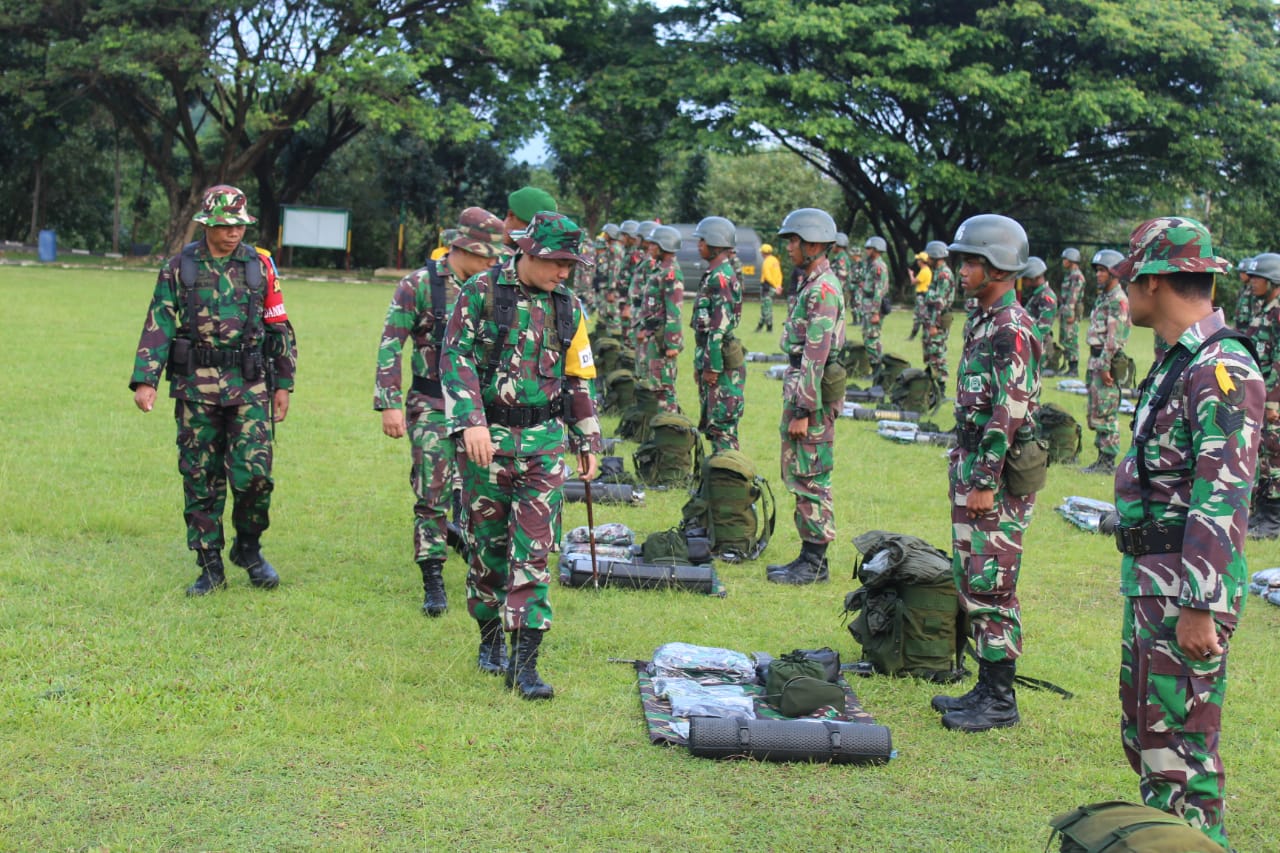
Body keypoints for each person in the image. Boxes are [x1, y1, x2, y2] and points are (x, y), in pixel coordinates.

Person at [1110, 217, 1262, 849]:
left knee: (1183, 757)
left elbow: (1221, 498)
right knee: (1151, 744)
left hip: (1185, 589)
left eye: (1131, 281)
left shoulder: (1220, 367)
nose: (1125, 294)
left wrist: (1201, 606)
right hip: (1155, 580)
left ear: (1156, 281)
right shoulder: (1182, 360)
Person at [441, 211, 601, 700]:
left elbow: (577, 376)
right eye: (555, 262)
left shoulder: (568, 307)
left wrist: (588, 436)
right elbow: (455, 356)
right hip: (485, 446)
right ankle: (489, 641)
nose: (563, 273)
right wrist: (471, 421)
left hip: (543, 446)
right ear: (528, 252)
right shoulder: (481, 293)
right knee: (487, 552)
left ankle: (525, 665)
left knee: (533, 553)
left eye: (570, 265)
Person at [130, 184, 297, 596]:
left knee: (255, 477)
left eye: (238, 225)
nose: (233, 233)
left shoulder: (260, 266)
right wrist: (146, 379)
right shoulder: (179, 267)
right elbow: (159, 323)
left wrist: (284, 384)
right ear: (206, 223)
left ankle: (249, 549)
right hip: (196, 388)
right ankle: (209, 567)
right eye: (224, 225)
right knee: (200, 478)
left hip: (251, 386)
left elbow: (279, 326)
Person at [930, 213, 1041, 733]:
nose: (962, 269)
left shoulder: (1012, 328)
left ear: (998, 266)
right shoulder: (984, 320)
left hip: (992, 476)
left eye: (971, 261)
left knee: (992, 581)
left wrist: (983, 481)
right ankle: (985, 684)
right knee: (972, 577)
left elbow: (1009, 411)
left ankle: (1001, 701)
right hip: (972, 463)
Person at [373, 207, 508, 616]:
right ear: (460, 247)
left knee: (481, 492)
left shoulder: (495, 287)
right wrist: (389, 403)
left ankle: (479, 565)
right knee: (431, 491)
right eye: (485, 254)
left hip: (482, 409)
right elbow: (391, 343)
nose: (492, 261)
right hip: (431, 403)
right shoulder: (419, 285)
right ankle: (433, 576)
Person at [766, 208, 845, 585]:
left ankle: (815, 564)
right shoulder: (811, 283)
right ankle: (807, 556)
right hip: (802, 386)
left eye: (794, 240)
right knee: (798, 471)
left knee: (811, 473)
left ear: (813, 243)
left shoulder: (824, 290)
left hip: (809, 395)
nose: (790, 248)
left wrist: (802, 408)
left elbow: (817, 353)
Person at [691, 216, 745, 451]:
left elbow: (718, 328)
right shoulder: (713, 274)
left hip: (721, 361)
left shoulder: (721, 277)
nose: (698, 245)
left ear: (715, 242)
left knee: (722, 426)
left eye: (702, 240)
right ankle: (718, 479)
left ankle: (728, 480)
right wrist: (700, 364)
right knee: (713, 424)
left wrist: (712, 366)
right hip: (711, 356)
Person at [1082, 249, 1131, 473]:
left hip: (1106, 361)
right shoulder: (1104, 297)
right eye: (1097, 270)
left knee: (1106, 411)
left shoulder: (1118, 301)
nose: (1097, 275)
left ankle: (1108, 461)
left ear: (1114, 274)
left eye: (1102, 271)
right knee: (1096, 409)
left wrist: (1104, 366)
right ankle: (1102, 458)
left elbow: (1114, 339)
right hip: (1097, 359)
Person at [1242, 252, 1280, 539]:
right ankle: (1260, 513)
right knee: (1262, 453)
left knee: (1274, 454)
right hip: (1260, 391)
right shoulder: (1263, 307)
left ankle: (1272, 520)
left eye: (1258, 278)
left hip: (1273, 397)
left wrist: (1273, 401)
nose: (1252, 281)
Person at [639, 225, 684, 413]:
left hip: (663, 339)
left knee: (665, 386)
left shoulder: (670, 272)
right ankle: (661, 426)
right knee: (656, 383)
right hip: (654, 334)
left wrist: (672, 343)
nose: (650, 248)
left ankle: (670, 426)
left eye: (654, 245)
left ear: (663, 246)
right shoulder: (660, 270)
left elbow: (674, 309)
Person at [920, 240, 956, 381]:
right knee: (931, 351)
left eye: (929, 256)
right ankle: (933, 383)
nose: (927, 259)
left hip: (939, 317)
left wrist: (934, 324)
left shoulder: (943, 275)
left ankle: (940, 385)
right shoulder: (938, 272)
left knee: (937, 352)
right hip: (934, 316)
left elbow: (940, 301)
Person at [860, 236, 890, 374]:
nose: (866, 251)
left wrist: (875, 312)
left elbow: (879, 290)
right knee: (868, 337)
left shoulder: (879, 266)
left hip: (873, 308)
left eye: (869, 248)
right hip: (868, 306)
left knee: (872, 339)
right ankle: (876, 371)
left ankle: (877, 371)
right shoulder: (872, 265)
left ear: (876, 250)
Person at [1059, 247, 1086, 376]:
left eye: (1065, 259)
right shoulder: (1069, 275)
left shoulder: (1077, 276)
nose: (1063, 261)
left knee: (1071, 340)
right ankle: (1069, 367)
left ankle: (1074, 369)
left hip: (1071, 312)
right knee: (1065, 339)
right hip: (1066, 310)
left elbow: (1073, 296)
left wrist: (1070, 313)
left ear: (1071, 260)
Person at [1019, 256, 1058, 345]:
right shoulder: (1038, 295)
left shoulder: (1047, 298)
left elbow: (1042, 330)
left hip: (1039, 350)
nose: (1023, 281)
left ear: (1033, 277)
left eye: (1025, 278)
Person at [757, 242, 783, 333]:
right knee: (766, 306)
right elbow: (779, 274)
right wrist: (778, 286)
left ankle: (769, 327)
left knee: (766, 307)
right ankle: (760, 326)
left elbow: (767, 276)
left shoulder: (766, 262)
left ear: (763, 252)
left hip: (767, 287)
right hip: (774, 287)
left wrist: (774, 286)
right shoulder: (775, 260)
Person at [909, 251, 932, 340]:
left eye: (918, 260)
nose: (917, 261)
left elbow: (913, 282)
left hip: (922, 296)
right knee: (921, 316)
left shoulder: (924, 271)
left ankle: (921, 335)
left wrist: (911, 274)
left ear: (921, 261)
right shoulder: (926, 270)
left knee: (920, 316)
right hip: (923, 296)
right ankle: (916, 335)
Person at [1231, 256, 1258, 331]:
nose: (1241, 275)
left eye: (1243, 272)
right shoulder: (1243, 289)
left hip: (1249, 329)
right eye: (1240, 272)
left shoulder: (1255, 291)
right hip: (1239, 327)